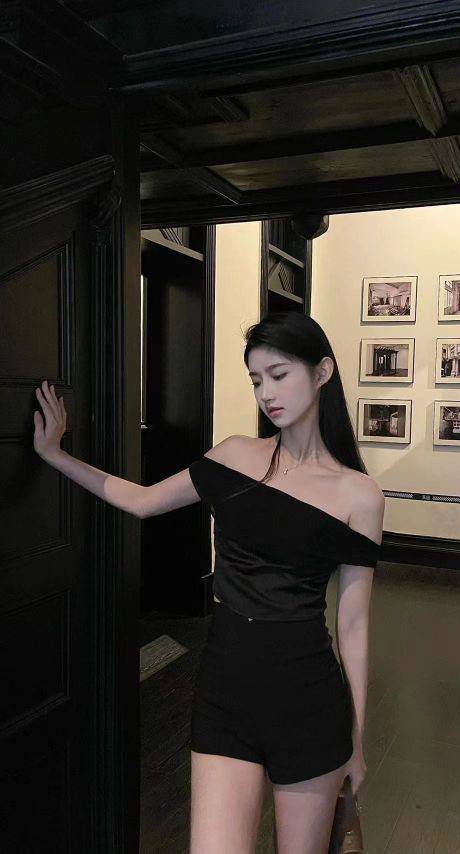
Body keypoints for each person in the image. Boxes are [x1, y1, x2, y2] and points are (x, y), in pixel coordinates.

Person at [33, 311, 385, 854]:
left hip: (309, 702)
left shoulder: (360, 495)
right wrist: (55, 454)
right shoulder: (234, 455)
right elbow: (143, 500)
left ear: (322, 372)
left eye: (279, 374)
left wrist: (357, 740)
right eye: (256, 380)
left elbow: (353, 623)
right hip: (225, 689)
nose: (267, 393)